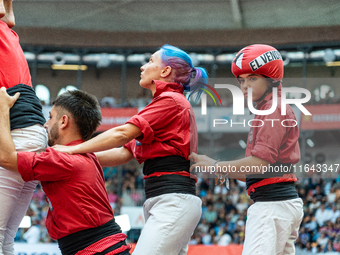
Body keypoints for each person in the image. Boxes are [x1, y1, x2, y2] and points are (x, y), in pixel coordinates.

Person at [53, 44, 207, 255]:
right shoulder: (165, 103)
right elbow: (124, 153)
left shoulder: (170, 101)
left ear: (165, 71)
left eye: (151, 61)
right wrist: (78, 159)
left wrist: (71, 151)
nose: (143, 67)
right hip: (169, 200)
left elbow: (121, 134)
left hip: (173, 201)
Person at [190, 44, 304, 255]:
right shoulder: (269, 108)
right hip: (278, 203)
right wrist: (215, 165)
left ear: (271, 79)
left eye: (252, 78)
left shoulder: (273, 109)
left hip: (272, 205)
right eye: (241, 80)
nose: (244, 86)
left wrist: (217, 165)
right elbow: (255, 171)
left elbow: (259, 165)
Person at [0, 89, 130, 255]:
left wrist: (3, 109)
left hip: (96, 250)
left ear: (63, 121)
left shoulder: (63, 159)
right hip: (101, 247)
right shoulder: (86, 156)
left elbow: (6, 158)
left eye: (50, 117)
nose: (45, 124)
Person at [0, 2, 48, 254]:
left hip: (19, 135)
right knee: (6, 237)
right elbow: (8, 15)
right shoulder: (9, 35)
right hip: (33, 137)